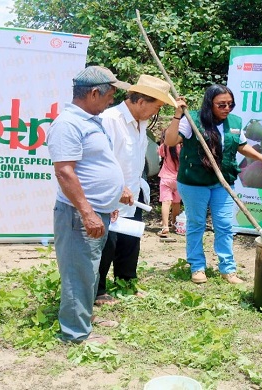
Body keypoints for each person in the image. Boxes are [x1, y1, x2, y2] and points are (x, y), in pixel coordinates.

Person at [163, 84, 262, 284]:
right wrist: (177, 115)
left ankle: (228, 269)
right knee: (196, 224)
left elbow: (241, 146)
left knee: (225, 225)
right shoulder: (192, 119)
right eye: (221, 105)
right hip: (194, 182)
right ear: (210, 104)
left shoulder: (235, 122)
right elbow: (171, 141)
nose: (227, 108)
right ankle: (197, 267)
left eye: (230, 104)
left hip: (223, 182)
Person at [47, 66, 124, 344]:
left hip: (96, 211)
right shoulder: (68, 124)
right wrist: (88, 212)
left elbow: (97, 164)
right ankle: (75, 333)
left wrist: (111, 198)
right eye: (110, 95)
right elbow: (65, 172)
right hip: (79, 215)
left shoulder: (92, 120)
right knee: (78, 272)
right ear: (94, 93)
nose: (111, 101)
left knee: (89, 269)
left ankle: (85, 316)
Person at [95, 75, 185, 306]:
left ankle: (126, 281)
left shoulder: (141, 124)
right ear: (141, 101)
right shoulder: (110, 119)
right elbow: (102, 159)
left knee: (130, 241)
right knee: (108, 243)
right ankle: (98, 290)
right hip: (111, 193)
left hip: (133, 193)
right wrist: (117, 187)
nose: (155, 113)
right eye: (156, 107)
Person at [157, 133, 182, 238]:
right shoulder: (181, 147)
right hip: (179, 179)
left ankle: (165, 226)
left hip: (166, 177)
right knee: (176, 203)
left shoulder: (164, 146)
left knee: (166, 203)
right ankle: (175, 224)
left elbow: (160, 153)